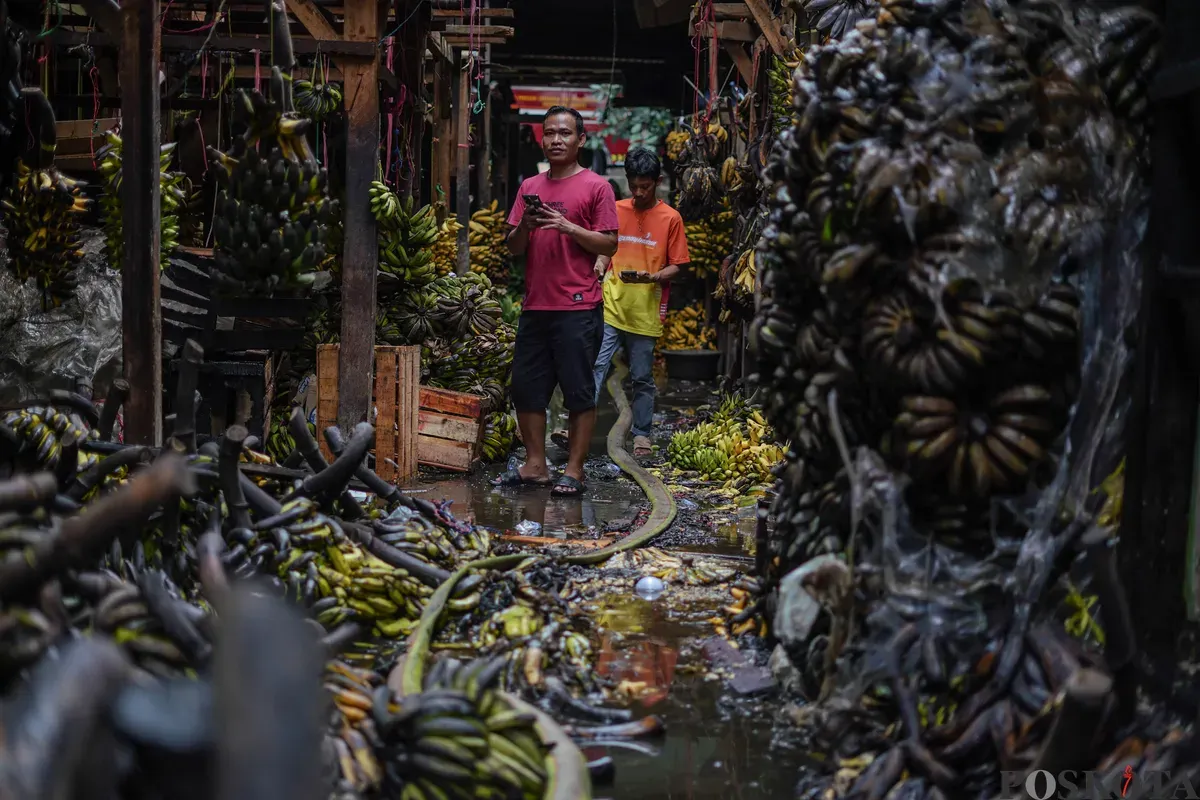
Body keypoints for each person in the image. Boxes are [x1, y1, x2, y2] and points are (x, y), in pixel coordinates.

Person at [491, 106, 619, 498]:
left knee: (579, 390)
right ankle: (535, 465)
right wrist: (525, 228)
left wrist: (566, 226)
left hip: (578, 307)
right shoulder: (529, 186)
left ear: (581, 140)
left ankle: (575, 470)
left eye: (564, 133)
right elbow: (512, 248)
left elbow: (609, 243)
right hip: (536, 306)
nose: (556, 140)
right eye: (549, 133)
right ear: (541, 139)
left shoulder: (597, 186)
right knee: (527, 389)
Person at [587, 147, 689, 456]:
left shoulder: (671, 218)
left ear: (657, 181)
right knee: (596, 367)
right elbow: (607, 246)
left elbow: (679, 266)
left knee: (642, 377)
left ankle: (642, 433)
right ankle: (579, 426)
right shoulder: (616, 209)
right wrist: (601, 263)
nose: (639, 192)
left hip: (646, 311)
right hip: (612, 304)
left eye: (645, 186)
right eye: (634, 185)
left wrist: (653, 277)